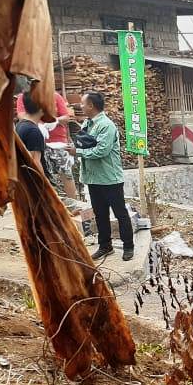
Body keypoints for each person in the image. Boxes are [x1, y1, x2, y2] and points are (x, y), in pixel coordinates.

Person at [70, 90, 134, 261]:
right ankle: (105, 246)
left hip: (109, 178)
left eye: (83, 103)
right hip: (93, 178)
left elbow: (101, 151)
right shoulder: (87, 124)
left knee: (120, 213)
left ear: (91, 105)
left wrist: (78, 151)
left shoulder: (106, 125)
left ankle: (128, 246)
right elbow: (83, 143)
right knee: (100, 214)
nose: (80, 106)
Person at [17, 88, 77, 200]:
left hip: (58, 142)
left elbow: (66, 116)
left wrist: (56, 121)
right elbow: (36, 162)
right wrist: (43, 185)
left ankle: (71, 201)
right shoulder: (33, 130)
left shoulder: (22, 127)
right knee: (44, 169)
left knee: (65, 174)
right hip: (38, 139)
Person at [15, 92, 51, 178]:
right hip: (33, 181)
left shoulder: (20, 125)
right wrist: (44, 186)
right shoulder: (33, 131)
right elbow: (35, 164)